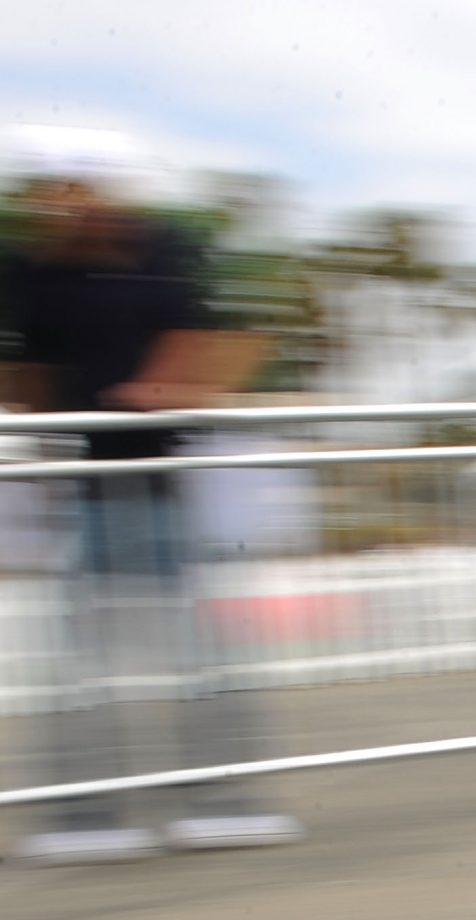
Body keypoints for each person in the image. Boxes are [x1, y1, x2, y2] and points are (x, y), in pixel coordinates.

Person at [0, 125, 300, 863]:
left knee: (201, 654)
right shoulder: (31, 266)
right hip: (86, 486)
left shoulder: (164, 246)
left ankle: (218, 799)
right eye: (50, 191)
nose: (59, 205)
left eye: (73, 190)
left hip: (168, 482)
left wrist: (166, 384)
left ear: (106, 191)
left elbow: (210, 332)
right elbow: (28, 367)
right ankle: (83, 812)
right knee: (79, 664)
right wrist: (38, 447)